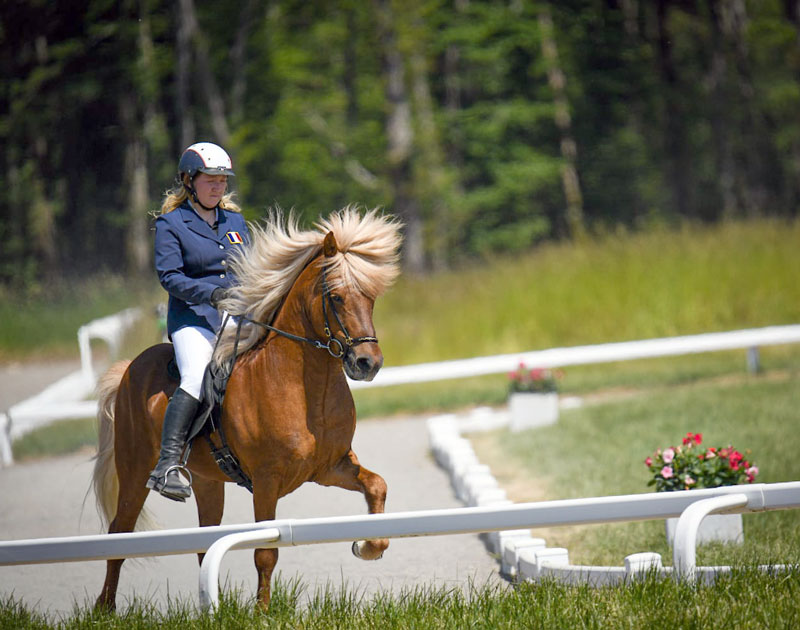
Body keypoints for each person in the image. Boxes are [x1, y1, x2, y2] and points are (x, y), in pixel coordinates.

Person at [147, 142, 250, 501]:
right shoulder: (171, 224)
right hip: (193, 318)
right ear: (189, 180)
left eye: (223, 180)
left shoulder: (235, 222)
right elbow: (169, 277)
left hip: (236, 315)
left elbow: (249, 268)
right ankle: (167, 465)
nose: (218, 186)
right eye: (211, 179)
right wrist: (210, 295)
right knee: (195, 374)